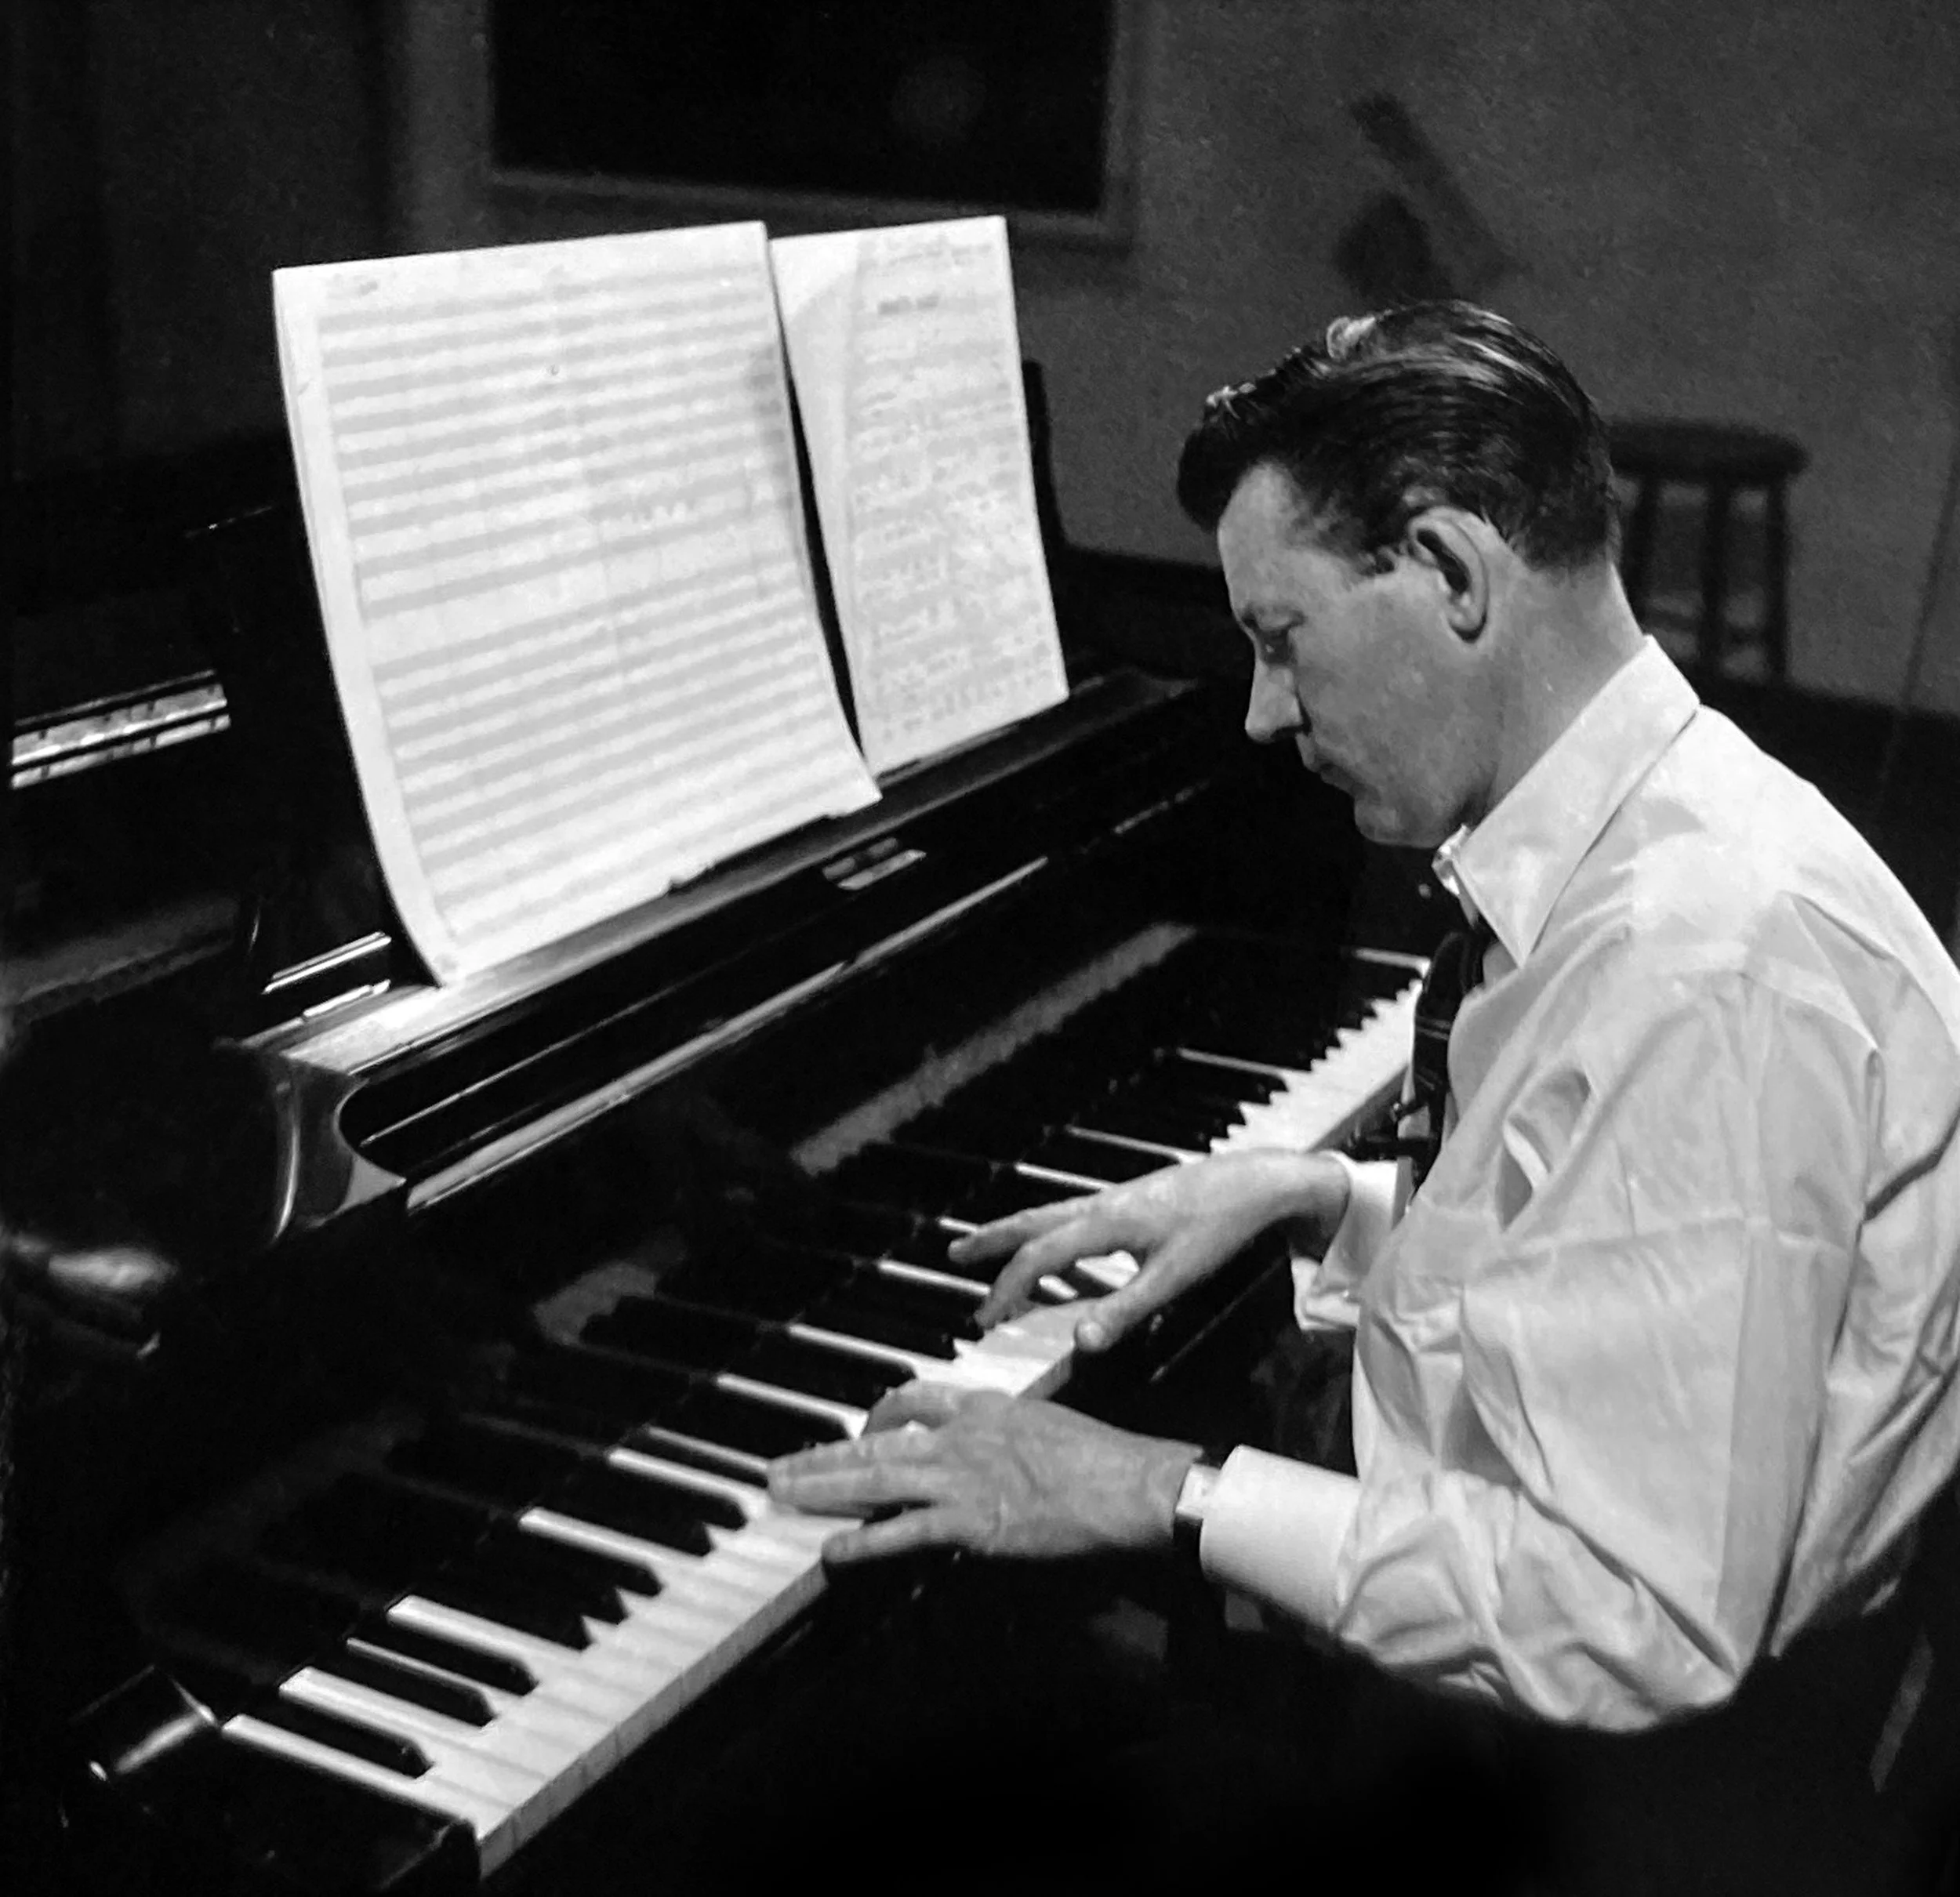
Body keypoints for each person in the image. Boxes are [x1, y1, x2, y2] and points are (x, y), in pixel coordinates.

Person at [770, 304, 1960, 1889]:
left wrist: (1158, 1490)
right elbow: (1648, 1260)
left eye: (1280, 637)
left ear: (1452, 575)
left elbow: (1630, 1613)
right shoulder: (1651, 844)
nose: (1261, 715)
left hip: (1643, 1804)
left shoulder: (1703, 966)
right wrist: (1326, 1198)